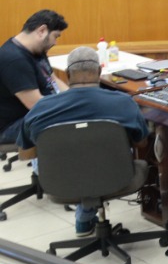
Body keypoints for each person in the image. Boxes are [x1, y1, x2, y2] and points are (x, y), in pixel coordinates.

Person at [17, 46, 150, 236]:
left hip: (59, 181)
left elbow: (26, 153)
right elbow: (142, 143)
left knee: (78, 163)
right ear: (99, 72)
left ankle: (84, 218)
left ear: (68, 75)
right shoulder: (123, 103)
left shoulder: (40, 109)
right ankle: (85, 217)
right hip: (117, 176)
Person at [0, 10, 67, 144]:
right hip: (12, 126)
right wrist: (71, 107)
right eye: (55, 36)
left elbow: (53, 79)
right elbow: (36, 105)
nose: (55, 42)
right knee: (69, 122)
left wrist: (76, 97)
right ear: (42, 31)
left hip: (34, 115)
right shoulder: (14, 60)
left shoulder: (36, 50)